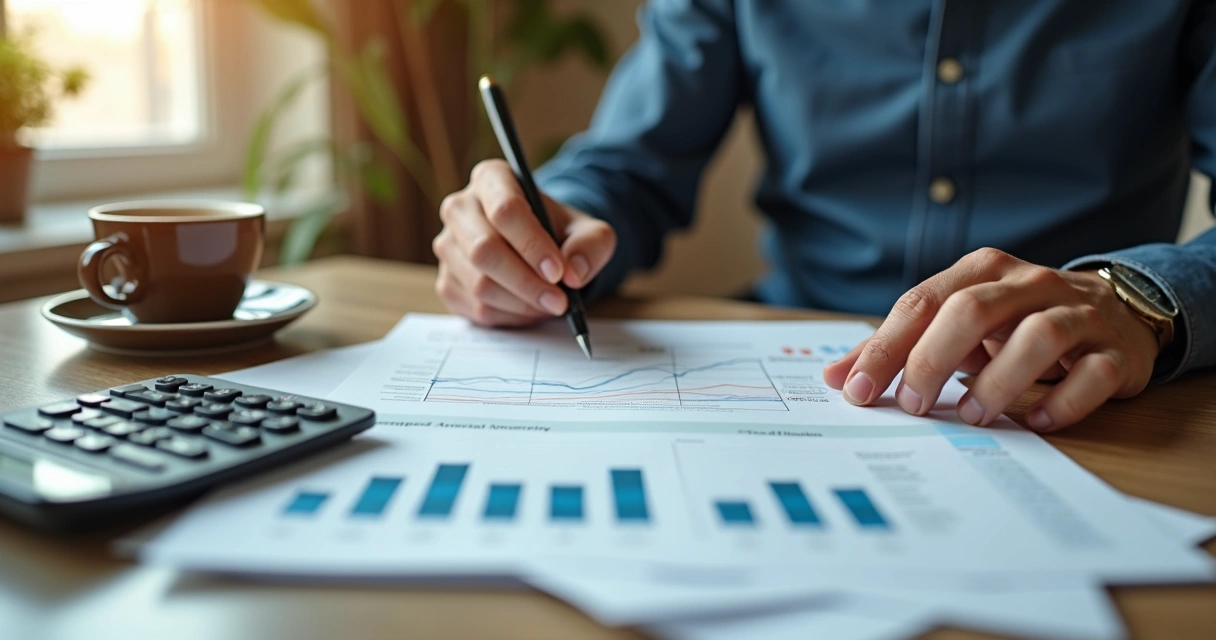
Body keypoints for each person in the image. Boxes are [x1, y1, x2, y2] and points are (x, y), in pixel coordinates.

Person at [431, 0, 1216, 432]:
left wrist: (1141, 299)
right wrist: (543, 231)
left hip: (1076, 402)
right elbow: (627, 167)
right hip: (790, 366)